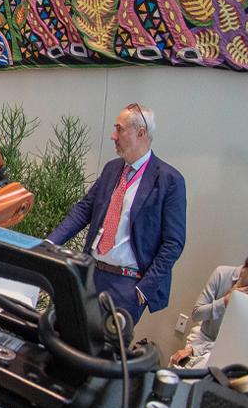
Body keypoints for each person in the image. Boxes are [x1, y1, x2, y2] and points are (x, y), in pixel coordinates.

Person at [47, 103, 186, 325]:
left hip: (126, 286)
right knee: (61, 332)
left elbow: (173, 243)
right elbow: (84, 210)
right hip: (90, 274)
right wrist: (48, 243)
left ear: (140, 133)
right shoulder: (112, 168)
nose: (113, 136)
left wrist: (142, 290)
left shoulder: (169, 180)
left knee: (102, 354)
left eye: (119, 129)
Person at [171, 235, 248, 368]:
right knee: (174, 367)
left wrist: (197, 350)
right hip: (202, 337)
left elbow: (240, 343)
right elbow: (197, 314)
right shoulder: (222, 274)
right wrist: (225, 301)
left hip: (227, 352)